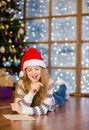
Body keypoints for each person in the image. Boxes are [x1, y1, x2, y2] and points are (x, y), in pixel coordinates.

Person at [11, 47, 69, 115]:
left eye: (36, 69)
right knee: (57, 93)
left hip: (52, 101)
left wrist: (23, 111)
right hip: (35, 102)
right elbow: (20, 106)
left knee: (61, 97)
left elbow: (43, 109)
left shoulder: (49, 82)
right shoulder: (21, 83)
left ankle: (63, 86)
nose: (33, 73)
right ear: (25, 72)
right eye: (29, 70)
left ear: (41, 69)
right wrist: (32, 92)